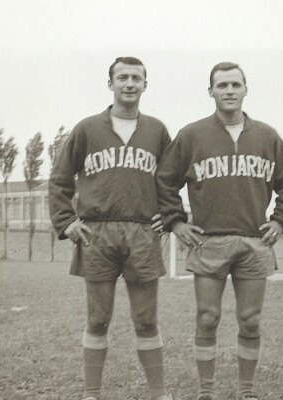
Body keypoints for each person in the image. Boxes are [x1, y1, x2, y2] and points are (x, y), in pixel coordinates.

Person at [156, 62, 283, 400]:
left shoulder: (266, 135)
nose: (229, 90)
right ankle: (206, 392)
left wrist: (281, 220)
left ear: (246, 89)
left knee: (250, 319)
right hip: (209, 241)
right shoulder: (192, 135)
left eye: (236, 84)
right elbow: (165, 180)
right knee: (208, 318)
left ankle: (246, 392)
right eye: (222, 85)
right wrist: (176, 221)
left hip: (254, 241)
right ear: (211, 91)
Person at [49, 57, 172, 400]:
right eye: (122, 77)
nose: (129, 83)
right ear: (111, 84)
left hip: (142, 232)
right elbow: (59, 179)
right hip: (97, 233)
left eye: (136, 78)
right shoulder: (88, 128)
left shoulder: (157, 130)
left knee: (146, 320)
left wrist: (170, 213)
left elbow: (171, 179)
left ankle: (159, 394)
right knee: (98, 318)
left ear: (145, 85)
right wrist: (66, 221)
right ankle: (91, 393)